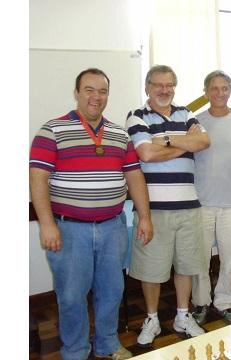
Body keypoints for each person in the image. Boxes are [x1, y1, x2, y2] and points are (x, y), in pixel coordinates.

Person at [30, 68, 153, 360]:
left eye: (103, 91)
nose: (96, 97)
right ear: (76, 93)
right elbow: (37, 178)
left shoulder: (119, 134)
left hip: (113, 227)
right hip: (70, 230)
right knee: (71, 296)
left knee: (111, 291)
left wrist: (145, 217)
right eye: (89, 90)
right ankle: (75, 351)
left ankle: (107, 344)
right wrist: (46, 224)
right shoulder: (52, 130)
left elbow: (135, 178)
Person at [125, 65, 210, 346]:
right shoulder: (137, 116)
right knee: (152, 268)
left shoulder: (186, 113)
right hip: (154, 210)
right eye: (158, 85)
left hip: (188, 207)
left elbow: (205, 140)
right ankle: (152, 318)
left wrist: (169, 140)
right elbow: (146, 153)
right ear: (147, 87)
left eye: (169, 85)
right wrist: (187, 144)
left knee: (186, 265)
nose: (165, 90)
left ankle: (183, 316)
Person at [191, 70, 231, 325]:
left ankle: (225, 302)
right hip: (201, 201)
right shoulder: (195, 121)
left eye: (225, 88)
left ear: (230, 90)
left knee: (229, 257)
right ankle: (201, 303)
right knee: (200, 258)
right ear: (205, 92)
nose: (220, 93)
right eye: (214, 88)